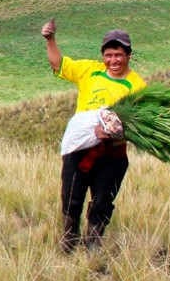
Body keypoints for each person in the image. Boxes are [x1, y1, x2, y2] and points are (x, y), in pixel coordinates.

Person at [41, 21, 146, 251]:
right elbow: (58, 64)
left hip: (112, 154)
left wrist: (113, 133)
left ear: (129, 55)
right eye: (108, 55)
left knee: (103, 201)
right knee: (71, 196)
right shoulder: (90, 70)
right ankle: (69, 241)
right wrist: (50, 39)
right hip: (79, 148)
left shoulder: (137, 86)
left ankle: (93, 245)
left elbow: (140, 124)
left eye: (118, 55)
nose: (113, 60)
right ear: (102, 55)